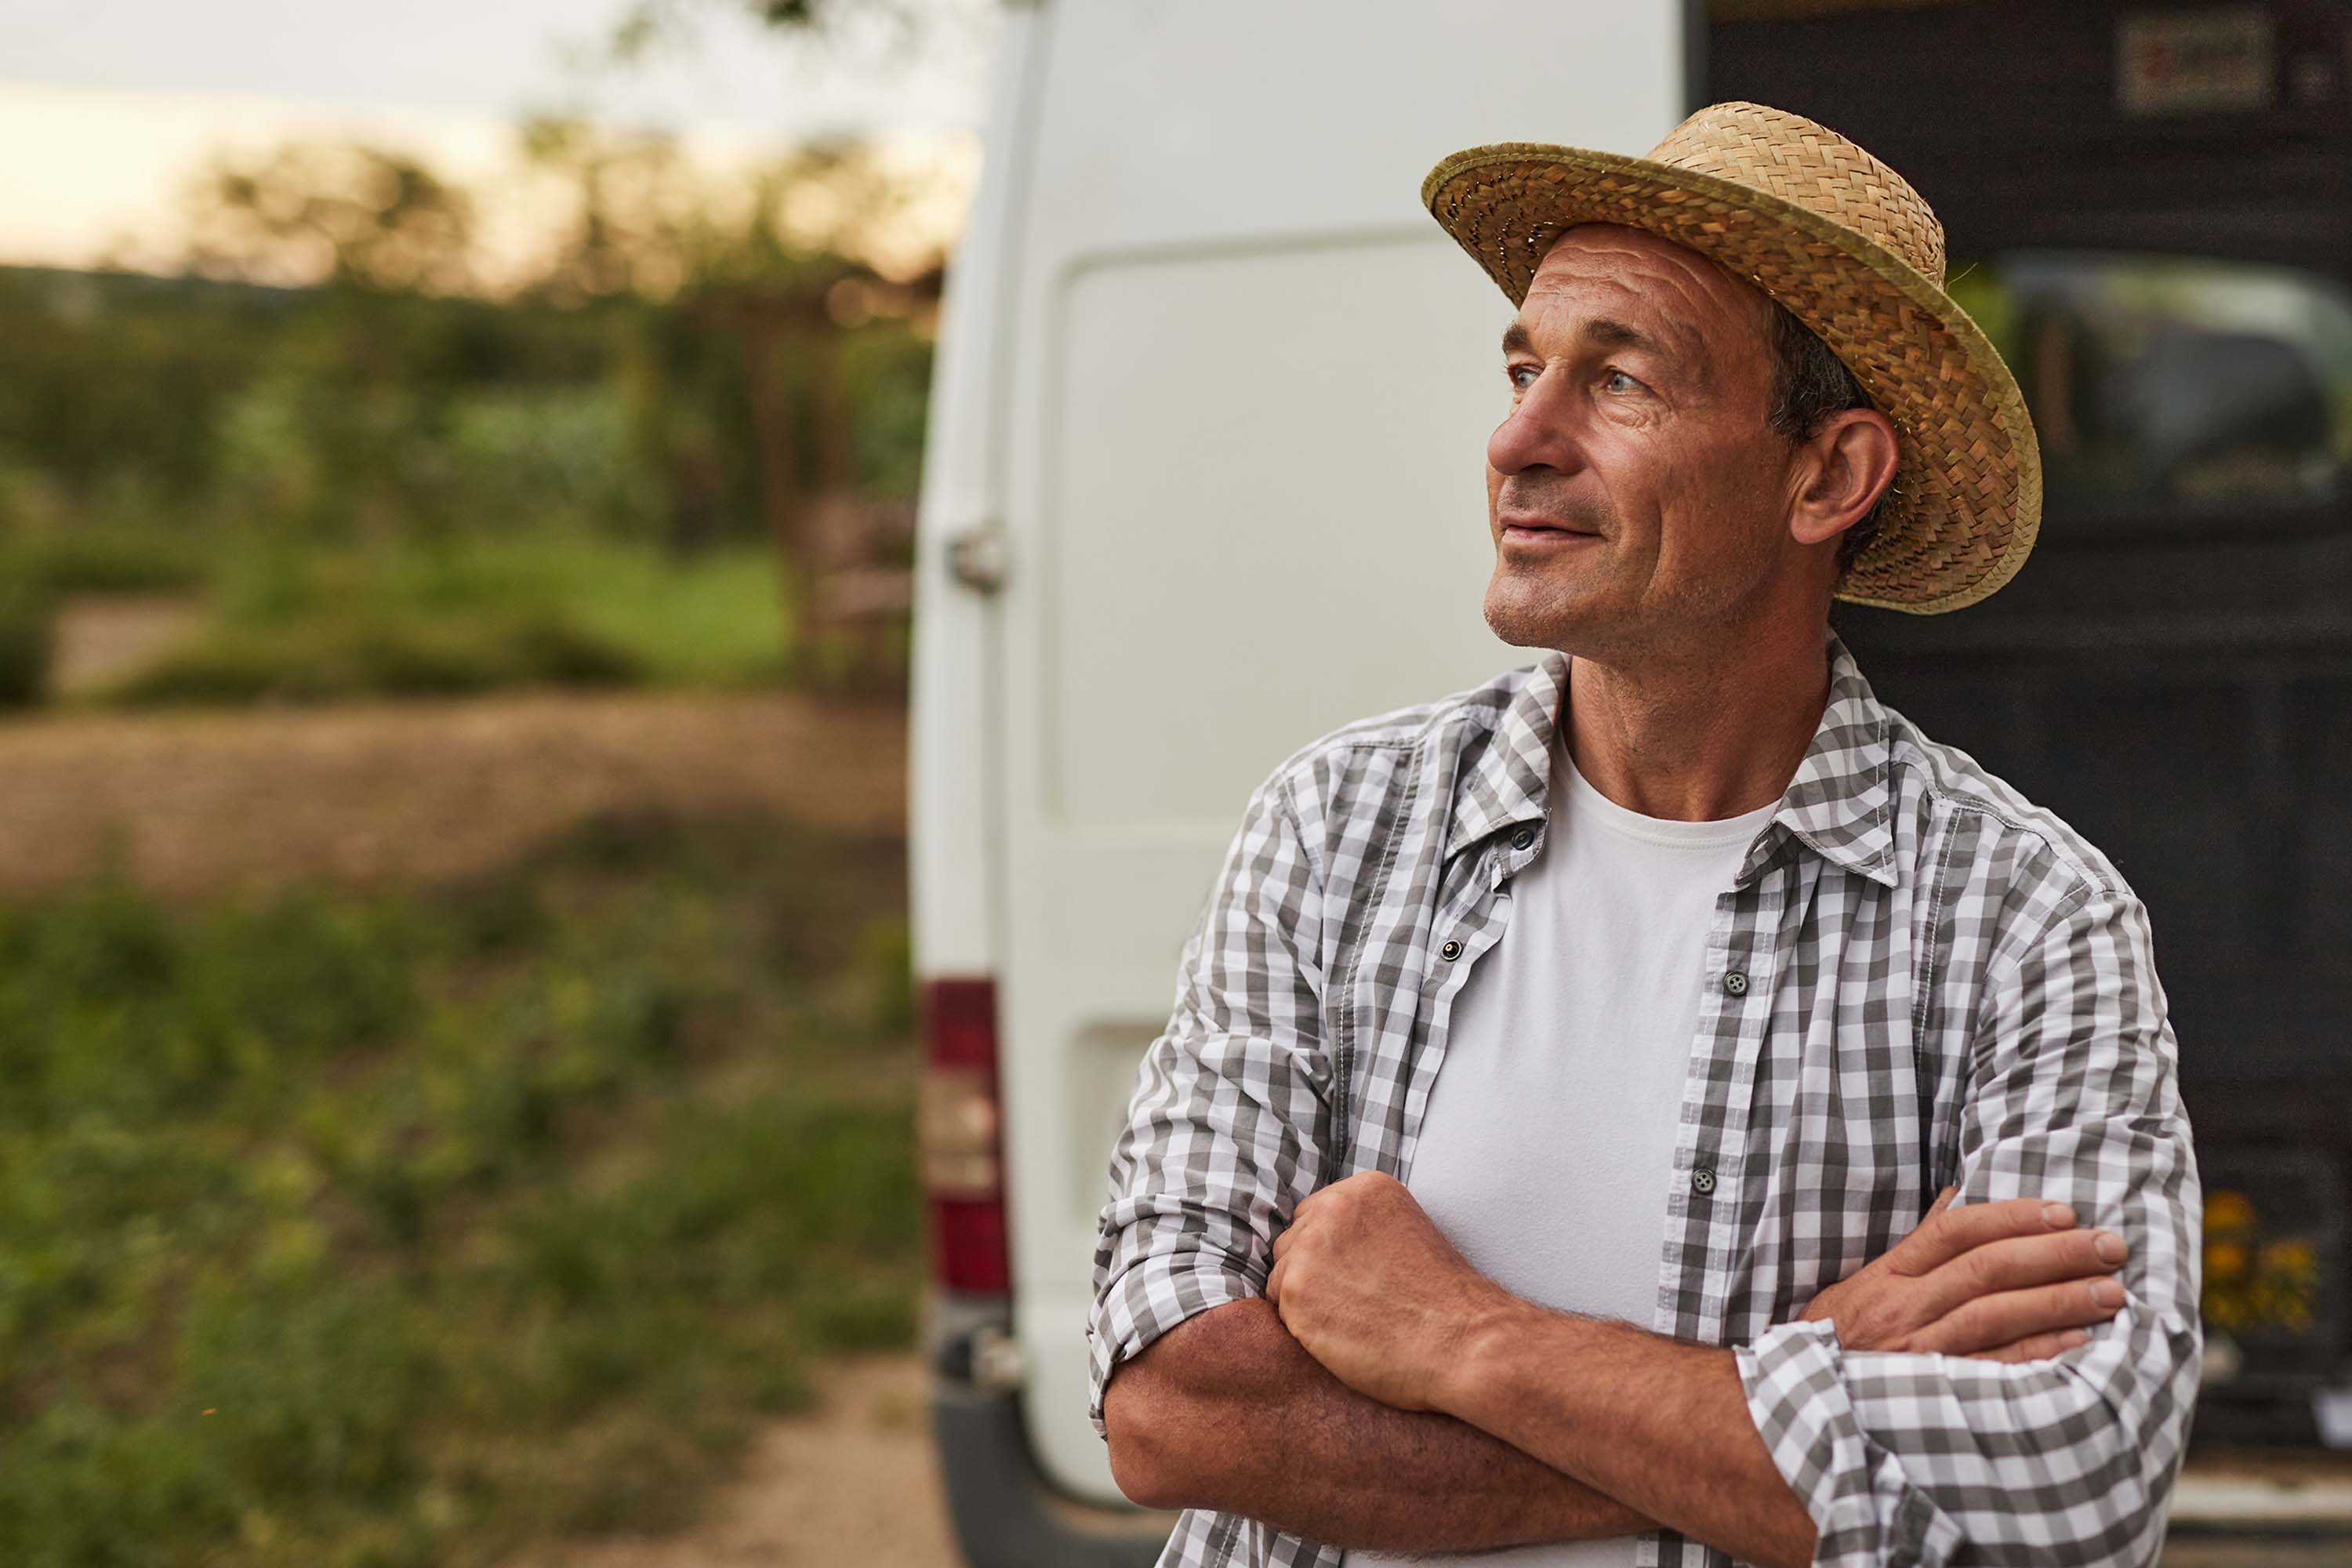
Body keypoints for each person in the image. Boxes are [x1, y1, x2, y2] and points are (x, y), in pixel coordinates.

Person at [1085, 102, 2201, 1568]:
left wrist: (1460, 1337)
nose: (1519, 440)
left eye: (1618, 380)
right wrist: (1798, 1377)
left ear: (1826, 476)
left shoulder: (2024, 917)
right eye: (1524, 368)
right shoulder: (1336, 827)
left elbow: (2076, 1477)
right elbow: (1170, 1409)